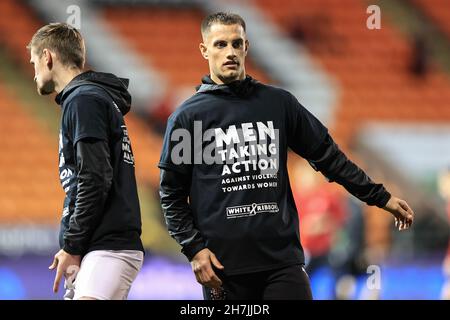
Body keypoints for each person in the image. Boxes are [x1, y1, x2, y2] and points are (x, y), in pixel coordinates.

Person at [158, 12, 414, 300]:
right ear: (204, 50)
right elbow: (171, 194)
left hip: (282, 263)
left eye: (236, 43)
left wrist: (379, 197)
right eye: (220, 45)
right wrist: (194, 248)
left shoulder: (278, 104)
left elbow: (329, 157)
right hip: (224, 269)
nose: (230, 52)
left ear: (246, 46)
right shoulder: (187, 118)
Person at [27, 23, 144, 300]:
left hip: (107, 247)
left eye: (33, 63)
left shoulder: (84, 100)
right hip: (98, 248)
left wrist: (72, 245)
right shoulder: (88, 98)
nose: (33, 74)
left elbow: (94, 177)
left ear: (48, 57)